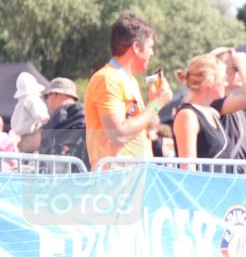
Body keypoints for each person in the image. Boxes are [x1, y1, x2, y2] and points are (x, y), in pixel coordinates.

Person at [84, 12, 173, 169]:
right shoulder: (107, 78)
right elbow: (118, 134)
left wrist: (153, 103)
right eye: (150, 47)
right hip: (115, 180)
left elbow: (137, 129)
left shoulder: (129, 80)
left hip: (134, 177)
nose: (152, 53)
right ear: (136, 47)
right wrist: (157, 103)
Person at [172, 54, 232, 167]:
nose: (226, 83)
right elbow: (188, 168)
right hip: (202, 179)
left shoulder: (213, 113)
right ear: (209, 81)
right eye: (223, 79)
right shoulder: (188, 115)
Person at [40, 77, 88, 168]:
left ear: (54, 95)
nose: (47, 101)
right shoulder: (87, 115)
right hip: (86, 173)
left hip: (59, 173)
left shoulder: (57, 118)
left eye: (47, 97)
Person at [10, 72, 50, 153]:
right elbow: (40, 114)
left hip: (21, 138)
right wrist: (48, 119)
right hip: (33, 136)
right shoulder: (33, 99)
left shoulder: (20, 103)